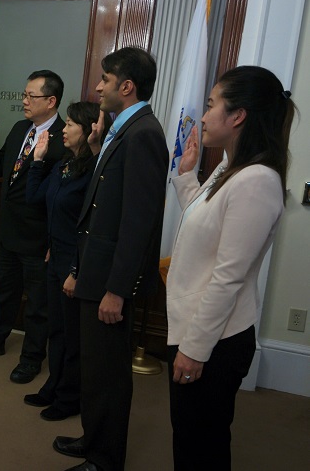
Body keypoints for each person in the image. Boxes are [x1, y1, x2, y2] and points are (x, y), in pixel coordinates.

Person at [166, 66, 294, 471]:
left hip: (216, 340)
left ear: (237, 115)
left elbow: (227, 276)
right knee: (189, 437)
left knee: (202, 445)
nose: (203, 117)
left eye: (211, 105)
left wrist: (195, 348)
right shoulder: (229, 168)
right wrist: (187, 178)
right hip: (197, 328)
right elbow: (202, 227)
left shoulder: (256, 180)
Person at [53, 47, 168, 471]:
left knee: (109, 375)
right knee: (95, 371)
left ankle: (105, 460)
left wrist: (117, 291)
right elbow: (104, 204)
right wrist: (99, 147)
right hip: (95, 271)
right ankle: (93, 439)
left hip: (110, 282)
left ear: (127, 86)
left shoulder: (145, 133)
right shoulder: (122, 129)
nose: (97, 87)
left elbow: (138, 225)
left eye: (105, 79)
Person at [0, 70, 66, 384]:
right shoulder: (22, 128)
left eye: (30, 96)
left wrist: (54, 240)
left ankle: (31, 359)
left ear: (51, 101)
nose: (23, 101)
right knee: (3, 292)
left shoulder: (65, 137)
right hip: (8, 232)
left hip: (38, 238)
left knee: (37, 305)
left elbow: (60, 197)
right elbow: (3, 170)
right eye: (23, 94)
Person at [24, 102, 112, 421]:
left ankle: (69, 397)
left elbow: (90, 226)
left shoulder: (94, 170)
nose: (64, 128)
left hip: (78, 263)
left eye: (71, 123)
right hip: (55, 256)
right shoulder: (64, 163)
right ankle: (54, 386)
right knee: (57, 330)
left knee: (74, 336)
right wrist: (36, 162)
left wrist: (75, 270)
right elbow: (35, 200)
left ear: (88, 130)